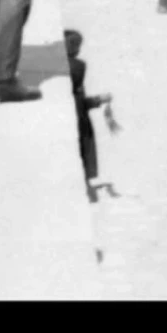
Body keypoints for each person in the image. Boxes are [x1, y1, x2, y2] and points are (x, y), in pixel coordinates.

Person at [65, 29, 119, 203]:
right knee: (81, 153)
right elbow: (77, 101)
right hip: (79, 120)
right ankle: (86, 190)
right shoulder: (77, 66)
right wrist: (98, 100)